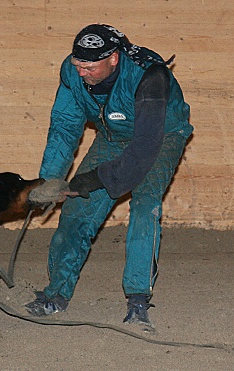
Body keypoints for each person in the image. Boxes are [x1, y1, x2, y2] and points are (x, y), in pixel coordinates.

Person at [25, 24, 193, 327]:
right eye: (78, 64)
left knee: (145, 205)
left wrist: (89, 180)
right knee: (76, 211)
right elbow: (65, 123)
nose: (81, 72)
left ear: (113, 58)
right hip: (112, 136)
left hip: (161, 135)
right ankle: (56, 296)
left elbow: (142, 152)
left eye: (89, 66)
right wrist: (51, 177)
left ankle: (138, 299)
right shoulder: (72, 71)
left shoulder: (150, 76)